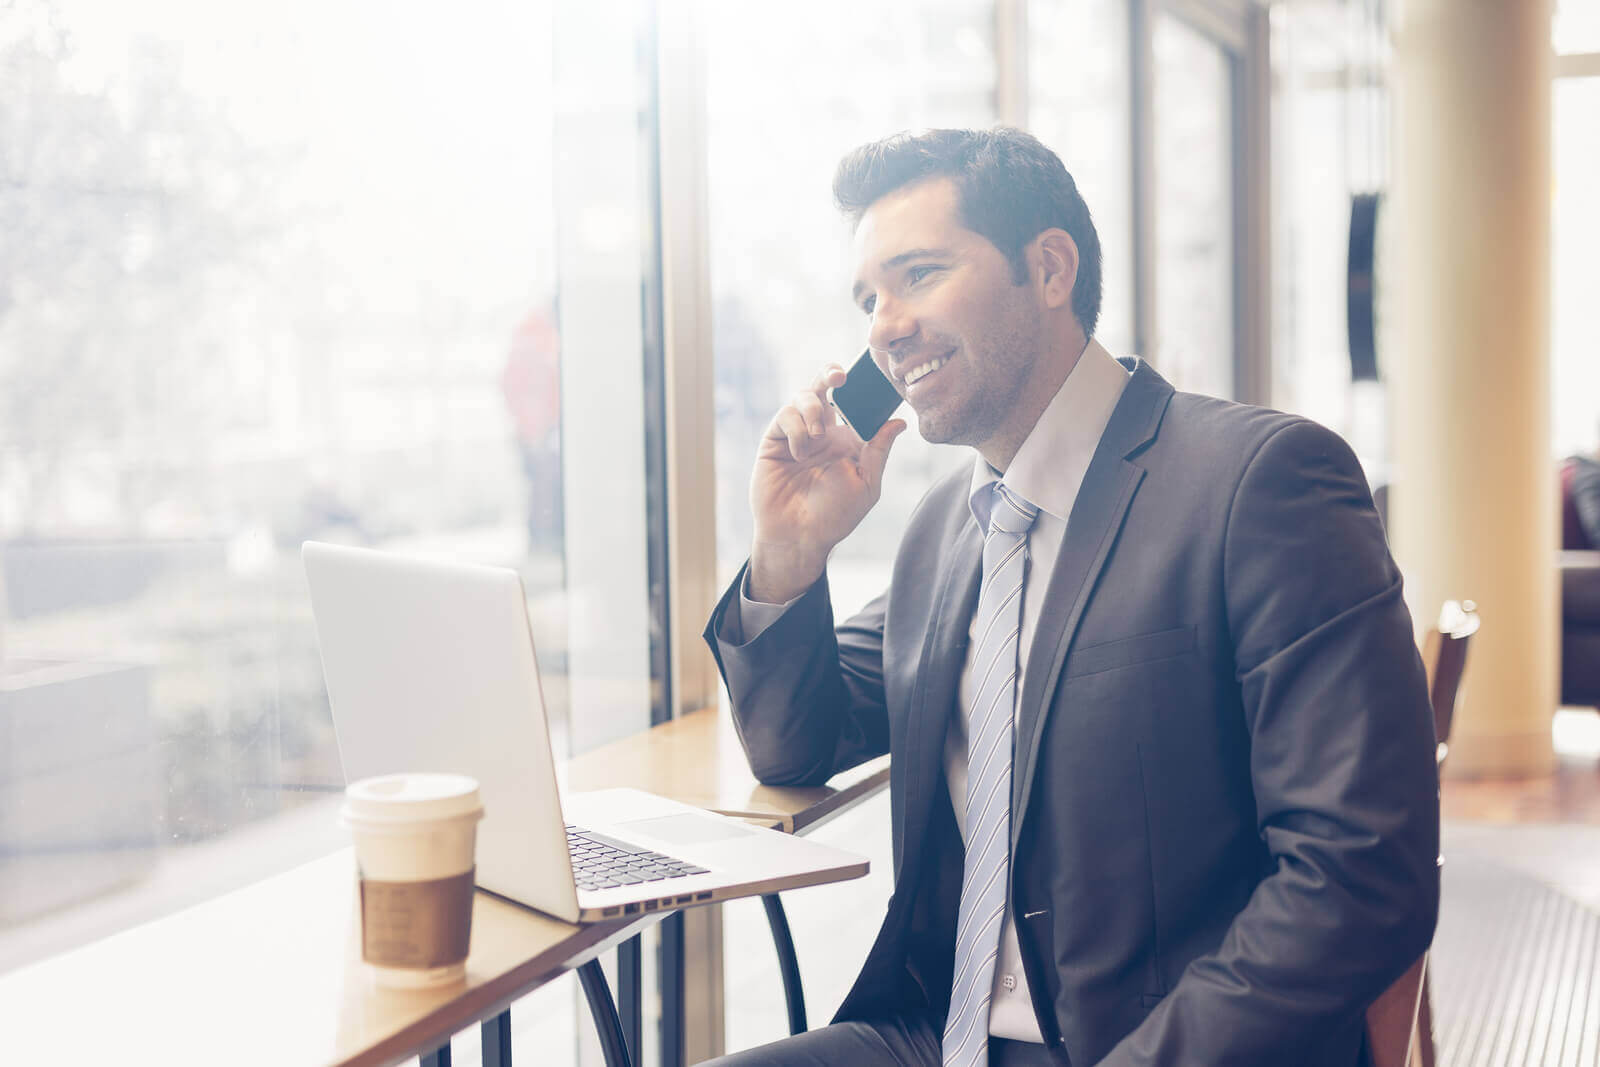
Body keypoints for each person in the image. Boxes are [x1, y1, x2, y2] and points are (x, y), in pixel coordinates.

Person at [702, 128, 1439, 1066]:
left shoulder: (1261, 483)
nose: (883, 326)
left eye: (919, 274)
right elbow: (796, 741)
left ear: (1050, 268)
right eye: (868, 298)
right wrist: (788, 549)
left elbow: (1360, 876)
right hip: (933, 1034)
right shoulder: (948, 531)